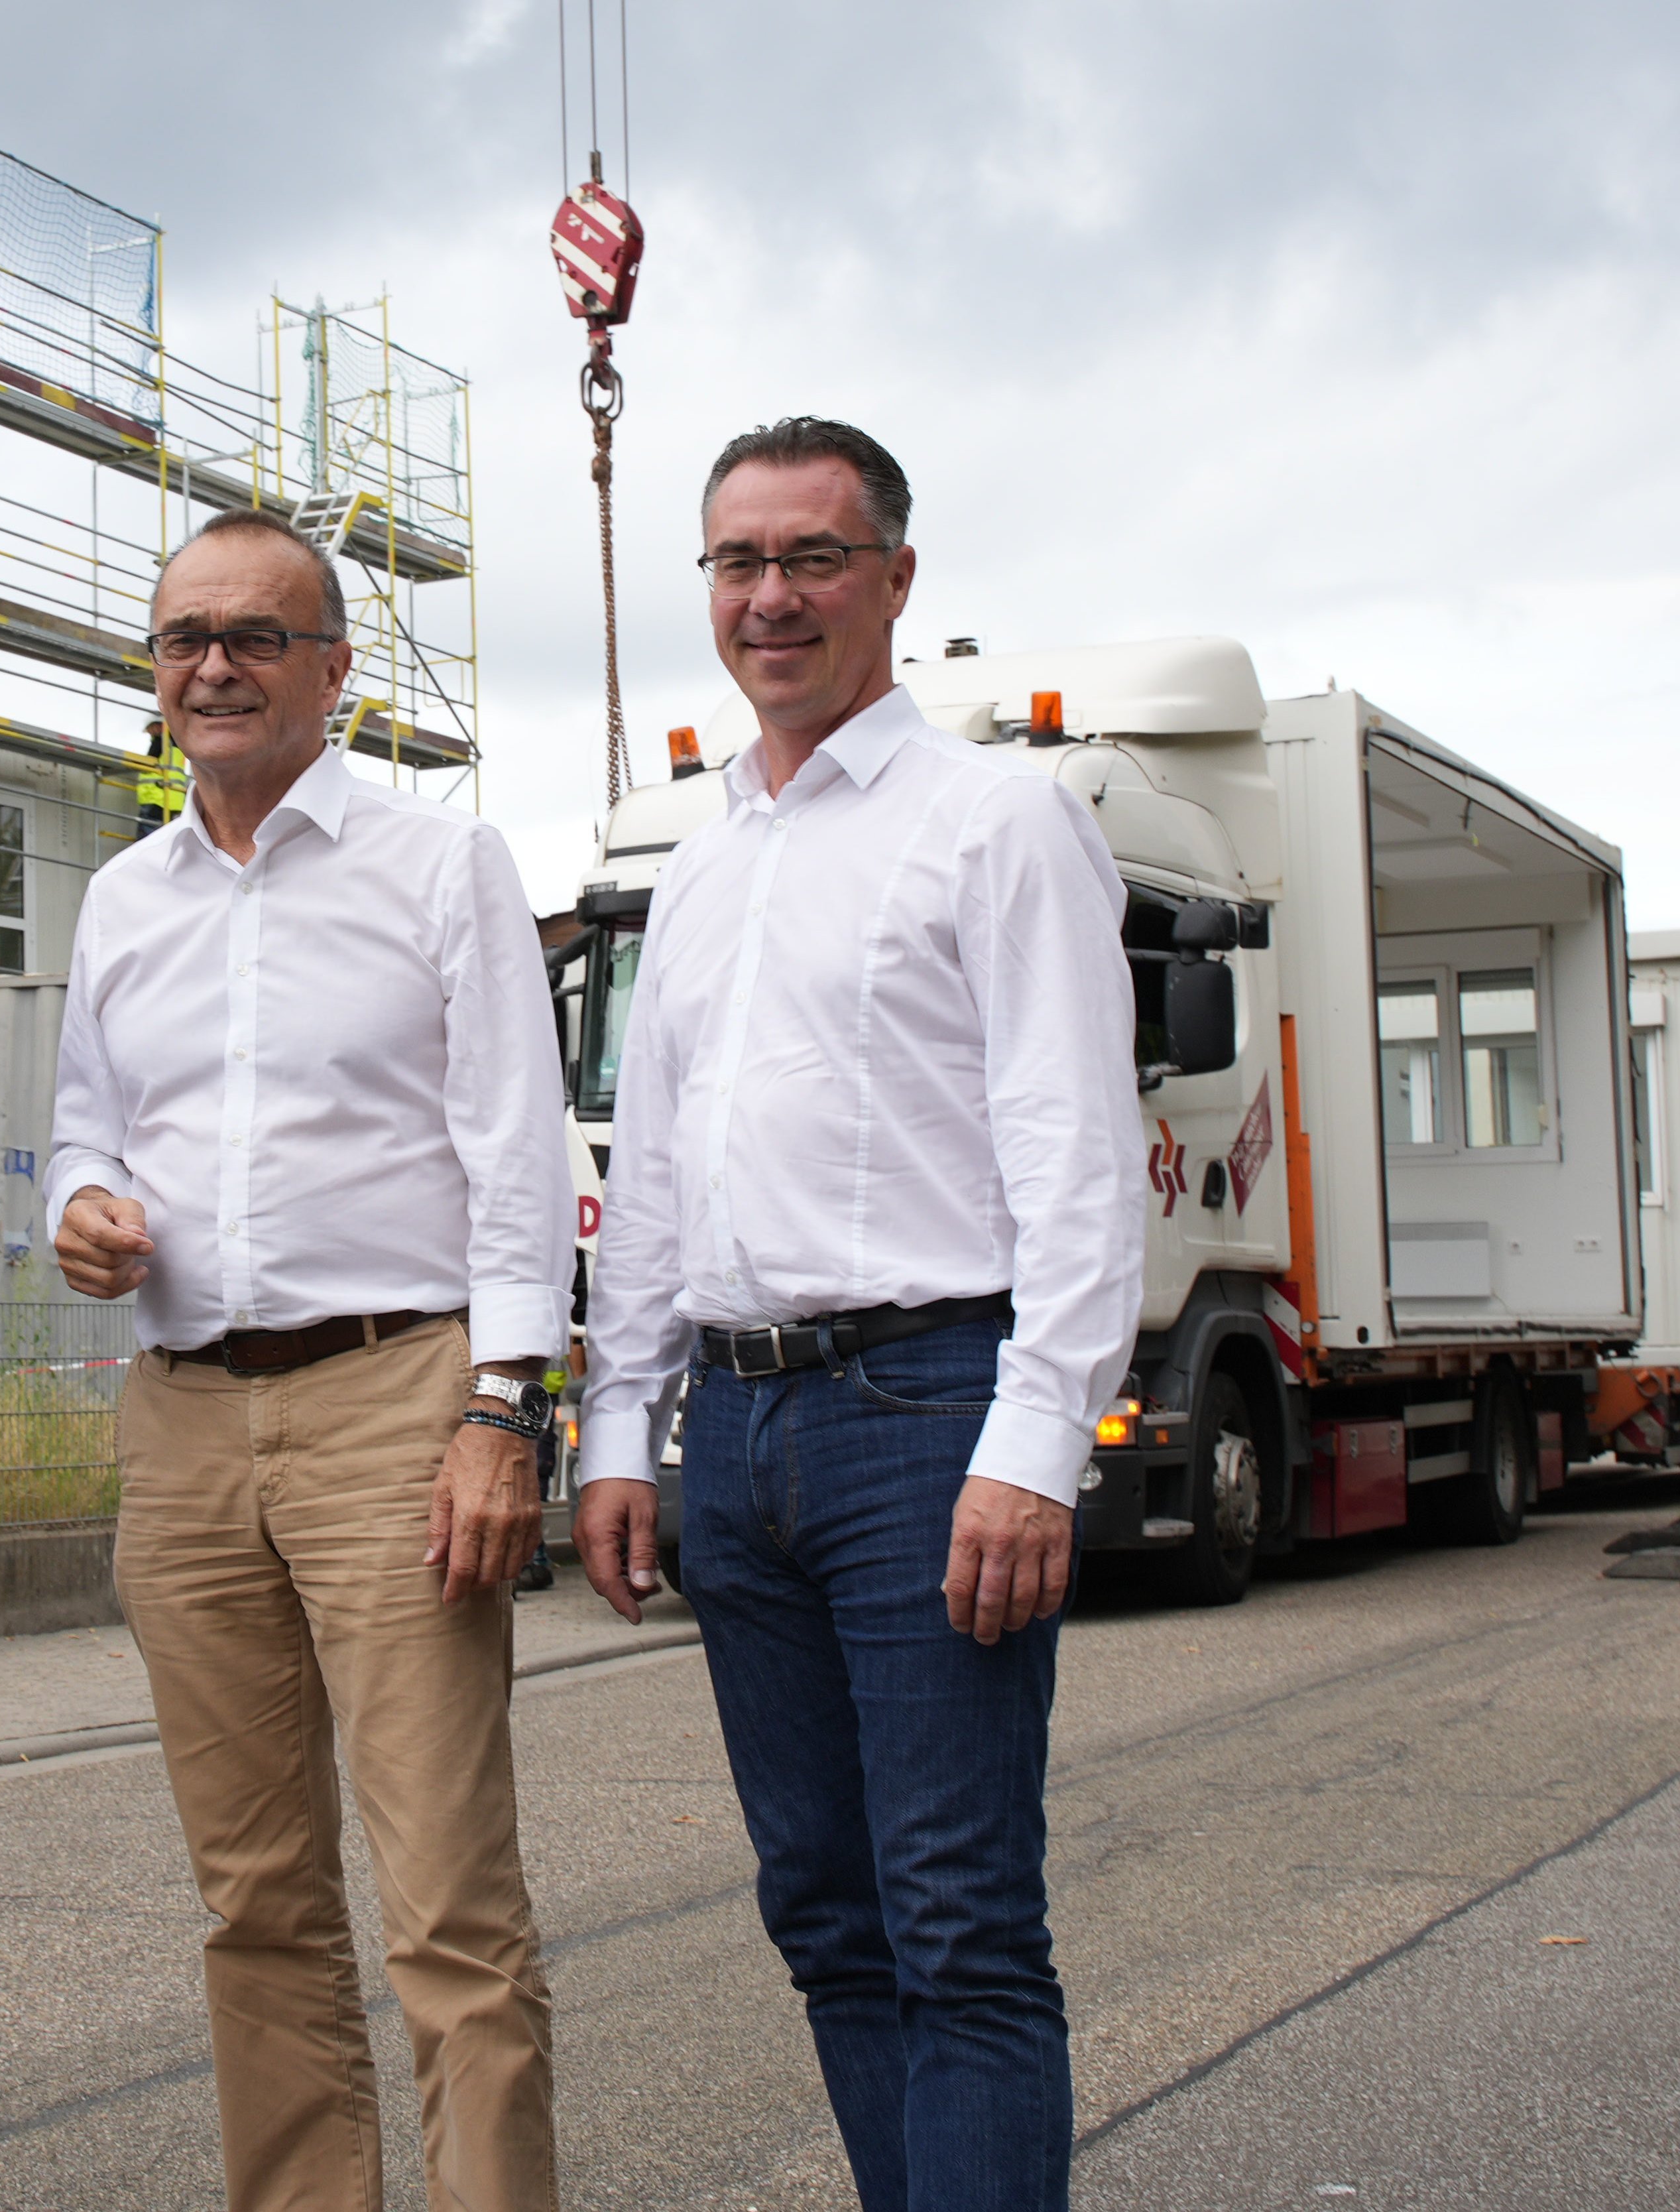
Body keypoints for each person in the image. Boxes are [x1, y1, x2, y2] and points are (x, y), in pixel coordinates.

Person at [570, 418, 1144, 2212]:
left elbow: (1077, 1153)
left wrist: (1036, 1444)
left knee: (960, 1924)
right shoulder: (702, 866)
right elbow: (654, 1177)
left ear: (896, 579)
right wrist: (620, 1429)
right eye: (738, 562)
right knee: (824, 1917)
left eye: (813, 556)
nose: (772, 595)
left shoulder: (1000, 823)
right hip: (736, 1442)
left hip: (928, 1416)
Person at [47, 509, 580, 2211]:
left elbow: (517, 1149)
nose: (214, 664)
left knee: (445, 1905)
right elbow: (83, 1132)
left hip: (394, 1404)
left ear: (335, 673)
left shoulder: (440, 865)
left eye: (257, 637)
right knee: (254, 1900)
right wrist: (83, 1210)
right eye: (184, 637)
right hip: (186, 1422)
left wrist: (510, 1409)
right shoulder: (125, 900)